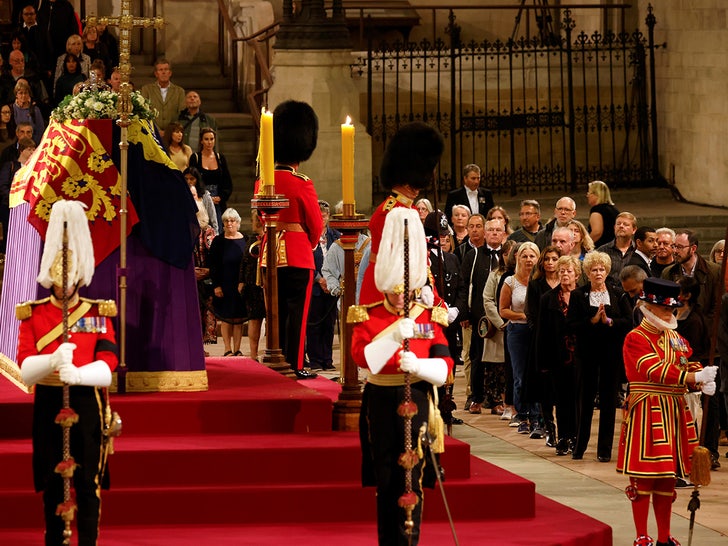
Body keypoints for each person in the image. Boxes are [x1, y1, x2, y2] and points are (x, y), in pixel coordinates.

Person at [18, 199, 118, 546]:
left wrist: (78, 374)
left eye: (69, 278)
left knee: (88, 484)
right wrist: (51, 362)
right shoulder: (32, 314)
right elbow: (25, 370)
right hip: (48, 402)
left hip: (86, 403)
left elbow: (109, 366)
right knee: (51, 484)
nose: (63, 285)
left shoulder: (98, 312)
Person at [350, 207, 453, 546]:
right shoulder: (368, 314)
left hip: (418, 397)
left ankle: (411, 539)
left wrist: (419, 367)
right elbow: (364, 359)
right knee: (387, 477)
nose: (400, 296)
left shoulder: (428, 314)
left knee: (413, 476)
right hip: (380, 399)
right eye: (394, 290)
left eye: (404, 289)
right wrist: (393, 336)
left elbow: (445, 368)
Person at [618, 277, 717, 546]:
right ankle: (641, 534)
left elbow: (685, 364)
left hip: (673, 410)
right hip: (648, 410)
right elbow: (654, 370)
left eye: (672, 310)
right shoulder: (635, 338)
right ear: (648, 308)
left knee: (667, 480)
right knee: (644, 477)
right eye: (664, 309)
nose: (670, 314)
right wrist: (691, 379)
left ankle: (664, 536)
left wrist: (702, 377)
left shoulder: (676, 338)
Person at [255, 100, 323, 379]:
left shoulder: (263, 181)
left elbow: (262, 217)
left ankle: (274, 360)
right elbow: (316, 224)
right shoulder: (301, 182)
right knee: (297, 316)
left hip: (268, 253)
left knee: (274, 315)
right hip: (297, 254)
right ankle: (294, 365)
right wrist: (311, 241)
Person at [359, 121, 444, 306]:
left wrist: (430, 290)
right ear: (407, 181)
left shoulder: (409, 209)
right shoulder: (388, 212)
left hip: (411, 288)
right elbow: (401, 261)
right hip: (390, 293)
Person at [566, 251, 632, 461]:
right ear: (587, 272)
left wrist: (609, 321)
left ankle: (604, 451)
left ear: (607, 271)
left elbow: (628, 322)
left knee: (608, 400)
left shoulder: (617, 293)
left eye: (601, 269)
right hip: (587, 355)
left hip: (611, 355)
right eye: (594, 269)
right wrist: (592, 321)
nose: (598, 273)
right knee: (584, 401)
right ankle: (579, 447)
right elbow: (571, 325)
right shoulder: (579, 295)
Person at [536, 255, 581, 455]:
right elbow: (542, 331)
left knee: (577, 399)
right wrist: (543, 360)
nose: (564, 274)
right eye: (561, 271)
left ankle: (576, 437)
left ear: (577, 275)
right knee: (562, 399)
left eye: (568, 271)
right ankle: (563, 437)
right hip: (557, 355)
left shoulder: (583, 296)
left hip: (580, 356)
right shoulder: (548, 298)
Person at [500, 242, 540, 434]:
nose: (528, 259)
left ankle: (537, 415)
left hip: (538, 332)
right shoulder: (510, 281)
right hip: (518, 331)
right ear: (518, 258)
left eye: (532, 256)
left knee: (538, 373)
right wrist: (523, 316)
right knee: (520, 376)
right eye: (524, 256)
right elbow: (503, 310)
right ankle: (522, 414)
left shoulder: (541, 282)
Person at [525, 245, 561, 442]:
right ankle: (549, 427)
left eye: (554, 259)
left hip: (563, 341)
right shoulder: (537, 284)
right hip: (542, 339)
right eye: (546, 259)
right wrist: (538, 332)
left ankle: (564, 430)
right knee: (544, 388)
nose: (550, 263)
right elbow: (530, 312)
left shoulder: (567, 284)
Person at [305, 200, 340, 371]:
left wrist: (333, 280)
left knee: (329, 325)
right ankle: (316, 360)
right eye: (318, 216)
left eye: (324, 216)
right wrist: (320, 279)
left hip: (332, 287)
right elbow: (308, 261)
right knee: (314, 324)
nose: (322, 219)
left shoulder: (336, 236)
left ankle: (328, 359)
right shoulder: (309, 236)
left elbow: (341, 259)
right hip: (316, 286)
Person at [208, 208, 247, 356]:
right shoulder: (218, 241)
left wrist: (244, 283)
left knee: (238, 318)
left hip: (240, 284)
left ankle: (237, 349)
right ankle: (227, 349)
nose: (229, 223)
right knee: (226, 318)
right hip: (224, 284)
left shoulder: (245, 239)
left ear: (238, 223)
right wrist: (216, 285)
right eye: (226, 221)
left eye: (232, 221)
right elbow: (213, 265)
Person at [662, 229, 722, 322]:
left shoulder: (713, 271)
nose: (675, 251)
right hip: (677, 328)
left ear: (693, 249)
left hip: (705, 329)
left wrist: (704, 329)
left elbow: (717, 306)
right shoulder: (668, 272)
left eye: (680, 247)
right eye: (674, 246)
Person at [189, 182, 217, 353]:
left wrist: (209, 271)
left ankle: (199, 346)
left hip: (205, 276)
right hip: (187, 275)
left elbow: (215, 256)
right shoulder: (180, 230)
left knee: (204, 311)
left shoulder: (208, 232)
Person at [189, 127, 232, 234]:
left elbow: (227, 181)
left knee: (218, 229)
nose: (209, 142)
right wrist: (203, 196)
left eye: (212, 139)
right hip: (201, 196)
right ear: (201, 141)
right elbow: (192, 179)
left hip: (218, 197)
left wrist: (221, 196)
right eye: (206, 139)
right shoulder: (196, 157)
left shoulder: (220, 158)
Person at [239, 210, 266, 361]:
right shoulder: (250, 240)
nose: (253, 223)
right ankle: (253, 353)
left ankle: (271, 350)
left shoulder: (272, 238)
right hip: (252, 285)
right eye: (252, 219)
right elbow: (244, 262)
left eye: (256, 219)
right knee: (254, 320)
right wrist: (241, 281)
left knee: (272, 320)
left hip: (268, 285)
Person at [0, 137, 35, 254]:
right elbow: (3, 186)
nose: (32, 152)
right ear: (21, 151)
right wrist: (13, 199)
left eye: (34, 149)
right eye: (29, 149)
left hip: (29, 207)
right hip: (10, 207)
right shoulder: (10, 165)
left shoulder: (34, 169)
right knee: (9, 233)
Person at [141, 58, 186, 135]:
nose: (164, 72)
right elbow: (144, 112)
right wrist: (157, 130)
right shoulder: (147, 90)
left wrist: (169, 131)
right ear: (156, 74)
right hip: (152, 133)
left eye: (166, 69)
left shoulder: (179, 91)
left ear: (170, 73)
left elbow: (181, 113)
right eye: (161, 70)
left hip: (173, 134)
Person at [597, 211, 637, 287]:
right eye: (618, 224)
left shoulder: (638, 251)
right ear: (614, 227)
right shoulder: (602, 251)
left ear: (634, 230)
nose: (621, 226)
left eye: (625, 224)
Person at [586, 180, 619, 248]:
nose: (587, 195)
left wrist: (585, 245)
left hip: (601, 249)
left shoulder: (597, 210)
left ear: (596, 194)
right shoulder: (614, 209)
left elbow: (597, 232)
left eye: (589, 192)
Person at [10, 80, 44, 145]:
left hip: (32, 145)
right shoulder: (12, 109)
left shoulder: (35, 110)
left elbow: (40, 131)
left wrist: (32, 145)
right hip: (15, 146)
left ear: (29, 94)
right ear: (16, 94)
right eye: (20, 93)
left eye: (26, 93)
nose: (23, 96)